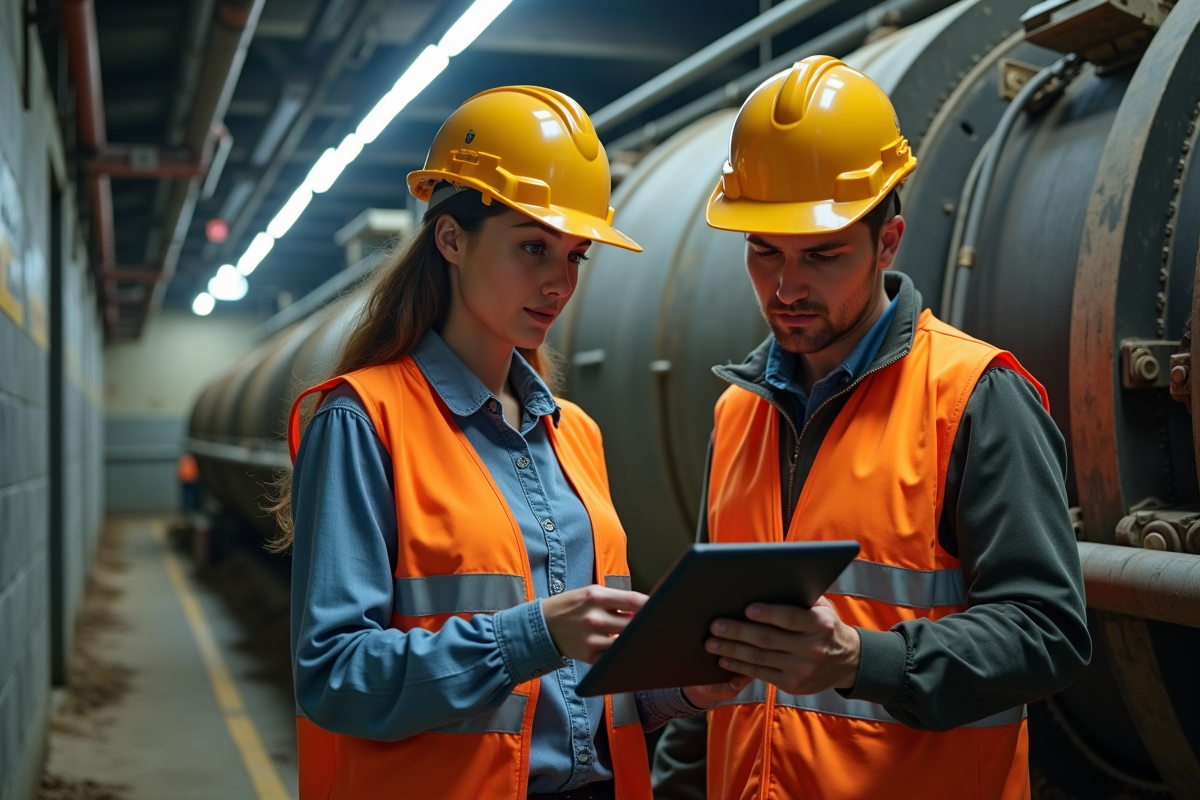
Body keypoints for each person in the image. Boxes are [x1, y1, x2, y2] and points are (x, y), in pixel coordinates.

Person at [274, 86, 745, 800]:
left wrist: (681, 688)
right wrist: (532, 635)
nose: (559, 282)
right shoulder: (363, 420)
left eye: (576, 257)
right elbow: (335, 678)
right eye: (533, 247)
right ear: (452, 239)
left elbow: (578, 699)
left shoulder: (574, 434)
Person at [651, 56, 1091, 800]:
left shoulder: (976, 397)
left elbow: (1048, 631)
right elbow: (716, 645)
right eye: (764, 252)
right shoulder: (740, 412)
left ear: (888, 243)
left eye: (822, 256)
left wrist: (863, 660)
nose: (786, 288)